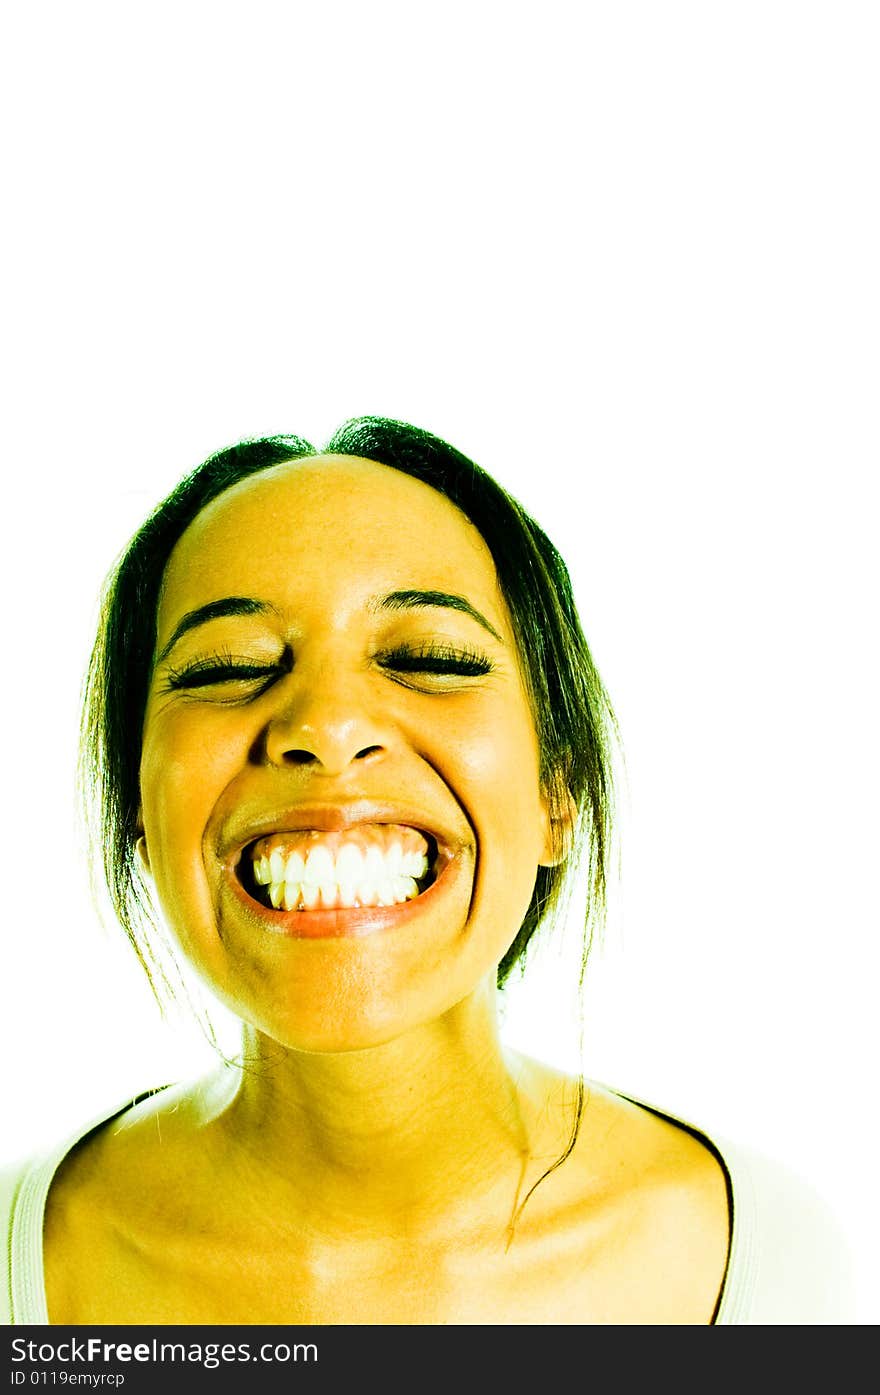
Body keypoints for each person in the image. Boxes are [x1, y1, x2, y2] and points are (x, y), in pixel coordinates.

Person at [0, 416, 856, 1325]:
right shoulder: (29, 1262)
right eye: (228, 667)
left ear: (556, 793)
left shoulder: (769, 1259)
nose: (326, 726)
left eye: (428, 659)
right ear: (138, 803)